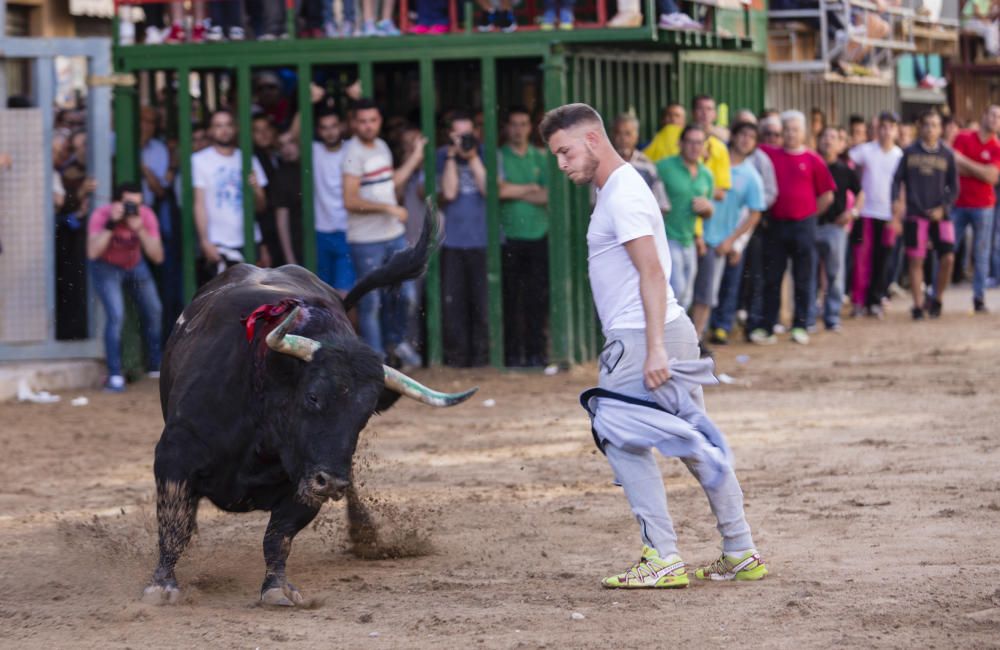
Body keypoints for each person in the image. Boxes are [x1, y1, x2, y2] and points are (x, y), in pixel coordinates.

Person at [539, 102, 767, 588]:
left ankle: (661, 556)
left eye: (565, 151)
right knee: (695, 439)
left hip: (642, 335)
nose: (561, 163)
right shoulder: (619, 189)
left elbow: (651, 271)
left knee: (618, 432)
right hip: (666, 328)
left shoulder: (621, 194)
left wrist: (656, 349)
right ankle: (740, 549)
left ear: (593, 140)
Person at [342, 98, 420, 366]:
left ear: (379, 121)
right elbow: (350, 200)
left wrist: (414, 158)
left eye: (372, 120)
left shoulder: (382, 146)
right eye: (362, 121)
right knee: (371, 304)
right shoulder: (352, 153)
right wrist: (389, 208)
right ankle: (378, 364)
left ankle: (396, 342)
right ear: (353, 123)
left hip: (392, 234)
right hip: (366, 240)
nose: (367, 126)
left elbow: (389, 182)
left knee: (407, 296)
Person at [753, 110, 835, 346]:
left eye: (794, 129)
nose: (790, 134)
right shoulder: (769, 155)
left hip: (804, 226)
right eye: (786, 129)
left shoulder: (813, 159)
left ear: (803, 132)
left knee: (803, 277)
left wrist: (809, 214)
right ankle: (768, 325)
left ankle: (800, 325)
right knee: (773, 277)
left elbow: (827, 196)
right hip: (776, 226)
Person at [86, 182, 164, 393]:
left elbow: (157, 257)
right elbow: (92, 253)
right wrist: (112, 224)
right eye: (129, 204)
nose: (133, 208)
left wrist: (139, 228)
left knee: (154, 309)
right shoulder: (101, 215)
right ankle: (114, 375)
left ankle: (155, 366)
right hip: (106, 266)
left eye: (137, 204)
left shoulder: (145, 216)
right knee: (116, 316)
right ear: (117, 202)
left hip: (134, 264)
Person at [694, 122, 765, 347]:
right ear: (732, 136)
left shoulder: (751, 176)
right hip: (693, 234)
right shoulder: (710, 161)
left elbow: (755, 214)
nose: (745, 140)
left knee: (709, 292)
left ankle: (701, 336)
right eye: (742, 134)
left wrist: (733, 241)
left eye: (751, 137)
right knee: (684, 290)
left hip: (719, 241)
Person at [892, 109, 959, 320]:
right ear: (920, 127)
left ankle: (937, 298)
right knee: (915, 260)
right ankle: (918, 305)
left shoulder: (947, 154)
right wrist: (896, 202)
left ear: (941, 128)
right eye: (926, 124)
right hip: (915, 213)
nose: (930, 128)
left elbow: (954, 188)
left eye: (934, 124)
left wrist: (943, 208)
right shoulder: (909, 152)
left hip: (941, 214)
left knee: (948, 257)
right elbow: (896, 180)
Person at [192, 109, 269, 286]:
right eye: (218, 125)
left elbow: (261, 207)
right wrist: (204, 241)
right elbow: (199, 204)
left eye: (227, 125)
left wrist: (256, 189)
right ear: (210, 131)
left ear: (235, 128)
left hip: (249, 240)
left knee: (253, 299)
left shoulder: (248, 159)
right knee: (223, 302)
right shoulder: (199, 160)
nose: (224, 130)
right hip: (218, 244)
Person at [437, 111, 489, 367]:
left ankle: (483, 358)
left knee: (483, 304)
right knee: (454, 304)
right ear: (450, 136)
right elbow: (448, 191)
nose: (464, 140)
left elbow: (489, 190)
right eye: (458, 135)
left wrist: (472, 158)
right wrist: (451, 156)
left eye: (468, 135)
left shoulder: (485, 153)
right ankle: (458, 359)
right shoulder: (441, 156)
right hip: (453, 242)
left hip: (484, 240)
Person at [499, 106, 550, 367]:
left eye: (523, 124)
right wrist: (531, 188)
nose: (518, 129)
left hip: (539, 236)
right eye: (514, 124)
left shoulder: (541, 157)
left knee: (536, 300)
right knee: (510, 300)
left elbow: (549, 195)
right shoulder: (499, 156)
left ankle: (535, 353)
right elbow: (498, 191)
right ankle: (512, 355)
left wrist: (514, 190)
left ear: (531, 128)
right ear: (507, 128)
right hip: (510, 237)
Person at [848, 111, 903, 319]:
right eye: (883, 126)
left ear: (896, 130)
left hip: (888, 215)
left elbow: (903, 186)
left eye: (891, 127)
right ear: (877, 129)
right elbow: (848, 163)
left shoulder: (900, 156)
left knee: (884, 260)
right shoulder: (865, 151)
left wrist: (899, 214)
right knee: (861, 258)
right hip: (866, 213)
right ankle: (858, 301)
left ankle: (876, 299)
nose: (886, 131)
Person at [811, 126, 863, 332]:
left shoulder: (845, 170)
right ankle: (807, 318)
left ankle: (832, 317)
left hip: (835, 228)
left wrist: (853, 213)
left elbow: (860, 193)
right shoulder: (812, 164)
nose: (828, 141)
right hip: (811, 225)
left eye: (833, 138)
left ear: (841, 144)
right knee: (808, 274)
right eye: (825, 137)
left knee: (835, 275)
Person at [657, 124, 714, 310]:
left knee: (687, 295)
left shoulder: (707, 175)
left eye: (699, 143)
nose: (694, 147)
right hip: (667, 238)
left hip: (689, 240)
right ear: (680, 143)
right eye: (690, 142)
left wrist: (707, 209)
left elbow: (708, 211)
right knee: (676, 290)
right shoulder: (663, 167)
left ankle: (674, 337)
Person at [951, 104, 1000, 313]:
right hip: (959, 203)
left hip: (984, 206)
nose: (995, 119)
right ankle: (934, 294)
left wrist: (966, 163)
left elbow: (992, 177)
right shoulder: (963, 137)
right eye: (993, 114)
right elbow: (953, 163)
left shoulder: (997, 147)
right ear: (984, 115)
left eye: (999, 117)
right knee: (947, 249)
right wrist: (980, 169)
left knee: (982, 253)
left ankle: (979, 298)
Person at [312, 110, 355, 290]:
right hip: (321, 231)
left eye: (334, 126)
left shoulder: (352, 148)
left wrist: (357, 98)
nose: (330, 132)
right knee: (323, 293)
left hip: (348, 230)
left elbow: (363, 126)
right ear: (318, 130)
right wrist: (309, 102)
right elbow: (294, 134)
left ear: (342, 126)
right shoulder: (314, 150)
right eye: (324, 128)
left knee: (344, 294)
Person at [272, 132, 304, 266]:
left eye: (291, 142)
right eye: (282, 145)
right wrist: (290, 260)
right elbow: (282, 221)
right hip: (299, 245)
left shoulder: (316, 164)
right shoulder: (281, 176)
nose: (287, 149)